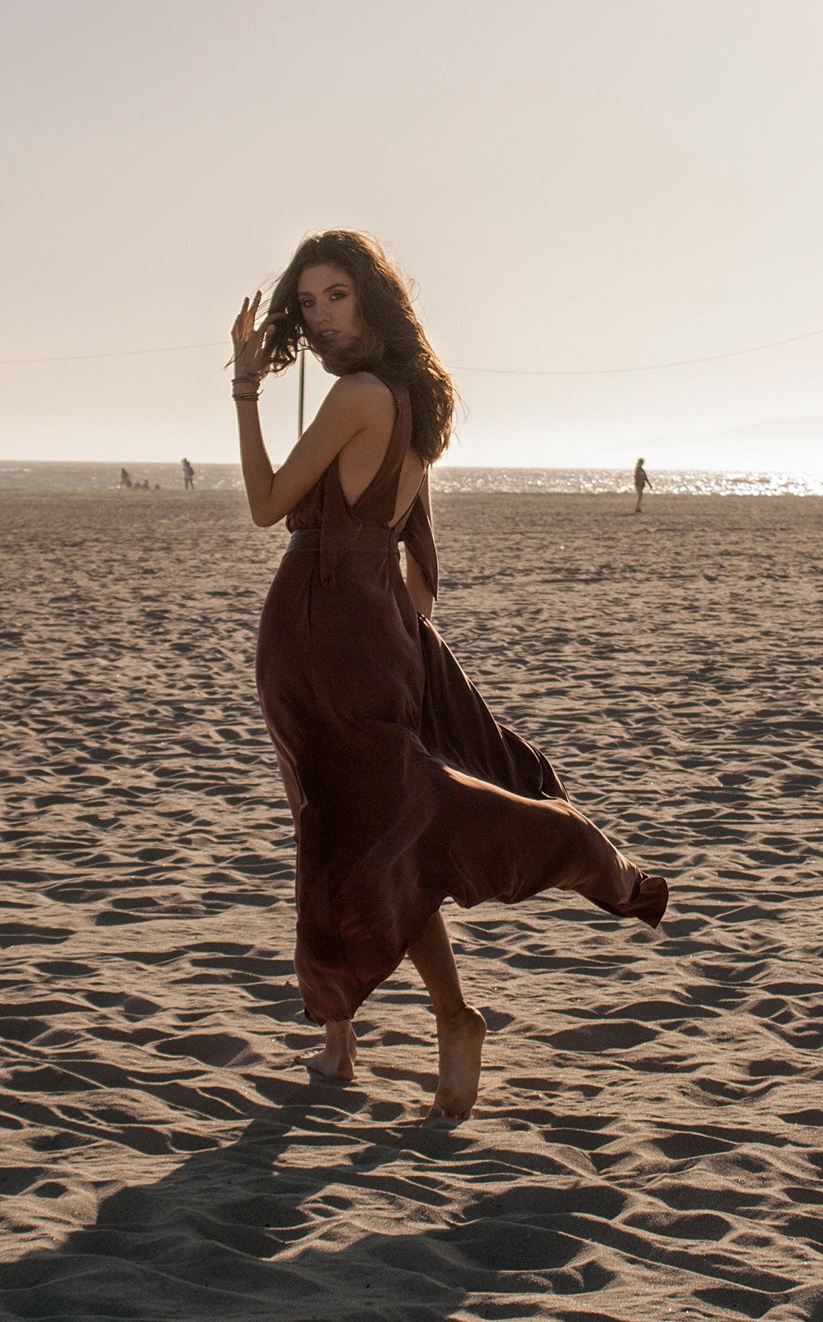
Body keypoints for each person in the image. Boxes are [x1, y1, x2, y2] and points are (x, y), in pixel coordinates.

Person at [230, 230, 667, 1119]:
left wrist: (244, 387)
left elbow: (266, 505)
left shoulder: (355, 395)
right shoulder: (417, 403)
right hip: (381, 623)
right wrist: (388, 616)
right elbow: (421, 584)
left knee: (335, 828)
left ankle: (396, 1028)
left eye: (335, 297)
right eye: (306, 303)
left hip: (318, 629)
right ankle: (382, 1035)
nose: (318, 318)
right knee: (389, 832)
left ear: (372, 298)